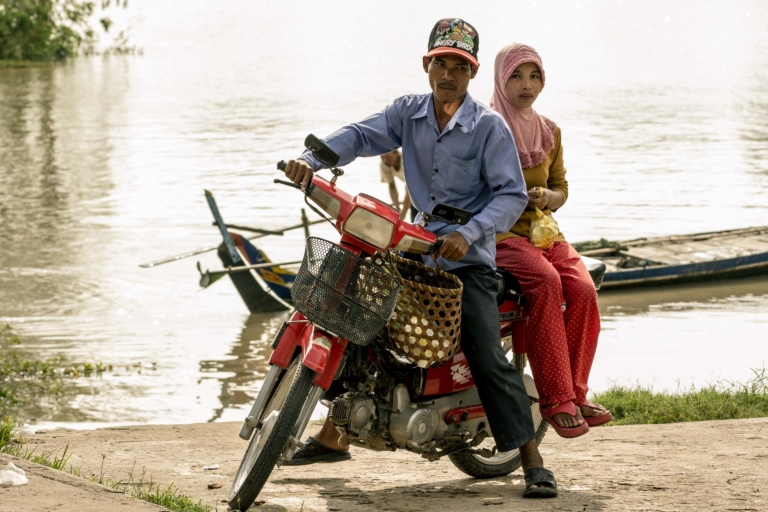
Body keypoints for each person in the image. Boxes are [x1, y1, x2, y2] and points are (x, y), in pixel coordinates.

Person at [282, 19, 558, 498]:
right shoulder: (407, 113)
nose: (449, 74)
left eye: (459, 66)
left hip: (467, 257)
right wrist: (312, 160)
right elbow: (360, 135)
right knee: (351, 309)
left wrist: (469, 233)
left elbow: (512, 195)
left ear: (472, 74)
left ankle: (532, 459)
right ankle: (335, 434)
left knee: (484, 348)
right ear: (426, 65)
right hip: (412, 245)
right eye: (441, 64)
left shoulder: (489, 127)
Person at [489, 43, 612, 439]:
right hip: (501, 233)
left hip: (542, 231)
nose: (527, 85)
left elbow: (561, 188)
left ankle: (576, 392)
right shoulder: (484, 127)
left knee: (583, 288)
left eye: (534, 76)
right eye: (516, 76)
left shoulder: (549, 131)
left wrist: (547, 197)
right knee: (546, 281)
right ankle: (555, 398)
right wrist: (510, 198)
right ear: (500, 79)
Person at [379, 149, 412, 220]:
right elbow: (392, 187)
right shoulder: (384, 164)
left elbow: (410, 189)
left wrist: (403, 214)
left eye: (388, 157)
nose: (385, 161)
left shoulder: (408, 160)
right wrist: (397, 210)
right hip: (412, 187)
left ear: (397, 153)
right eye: (382, 157)